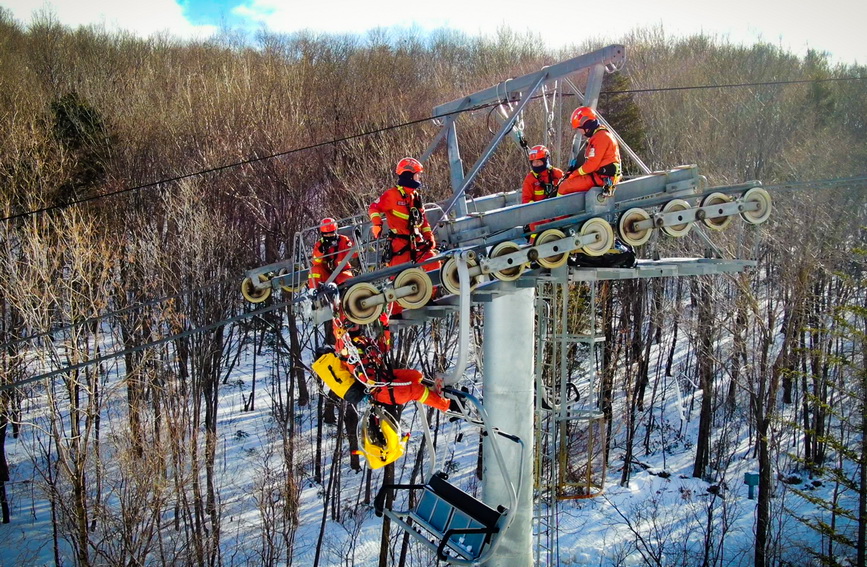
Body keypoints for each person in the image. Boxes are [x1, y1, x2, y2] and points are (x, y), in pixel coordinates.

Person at [368, 157, 439, 272]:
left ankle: (433, 290)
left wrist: (429, 237)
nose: (419, 178)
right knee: (399, 277)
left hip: (417, 242)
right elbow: (373, 207)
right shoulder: (392, 195)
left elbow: (423, 220)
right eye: (417, 175)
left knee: (433, 263)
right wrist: (377, 224)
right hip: (399, 245)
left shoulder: (415, 197)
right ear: (409, 175)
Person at [557, 106, 621, 196]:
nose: (581, 132)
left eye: (580, 129)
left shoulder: (601, 137)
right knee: (567, 183)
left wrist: (574, 174)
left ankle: (557, 209)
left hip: (602, 178)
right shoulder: (597, 136)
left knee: (564, 187)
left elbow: (592, 165)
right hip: (599, 176)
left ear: (587, 126)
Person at [307, 217, 357, 290]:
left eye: (331, 233)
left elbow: (355, 254)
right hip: (327, 275)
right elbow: (315, 262)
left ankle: (347, 296)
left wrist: (357, 240)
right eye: (326, 234)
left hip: (342, 272)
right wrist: (321, 250)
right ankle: (314, 292)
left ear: (335, 231)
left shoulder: (343, 240)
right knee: (314, 271)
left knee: (347, 279)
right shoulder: (319, 244)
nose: (329, 236)